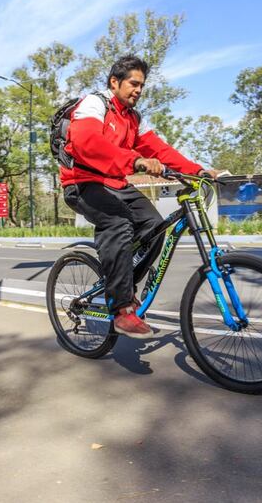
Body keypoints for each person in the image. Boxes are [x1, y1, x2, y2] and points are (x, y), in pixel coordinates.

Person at [60, 55, 219, 338]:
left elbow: (160, 149)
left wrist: (198, 170)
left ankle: (121, 287)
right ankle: (121, 308)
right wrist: (134, 160)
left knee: (155, 227)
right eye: (134, 83)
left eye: (142, 85)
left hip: (115, 183)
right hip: (82, 183)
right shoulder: (95, 104)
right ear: (114, 82)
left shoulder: (134, 118)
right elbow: (87, 142)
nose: (138, 90)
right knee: (118, 224)